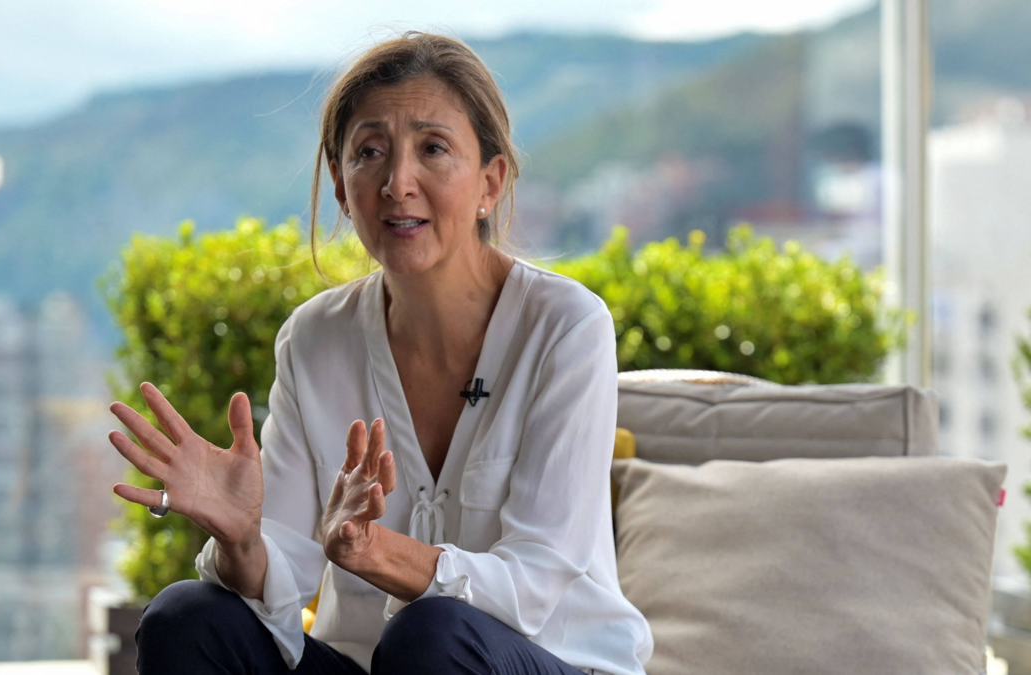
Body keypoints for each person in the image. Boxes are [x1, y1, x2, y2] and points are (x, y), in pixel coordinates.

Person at [107, 31, 652, 675]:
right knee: (186, 618)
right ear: (342, 187)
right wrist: (243, 540)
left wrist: (374, 552)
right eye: (370, 153)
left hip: (546, 662)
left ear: (491, 181)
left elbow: (534, 583)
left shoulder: (565, 326)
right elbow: (280, 576)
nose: (397, 183)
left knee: (433, 635)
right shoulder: (314, 337)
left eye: (433, 148)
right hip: (368, 666)